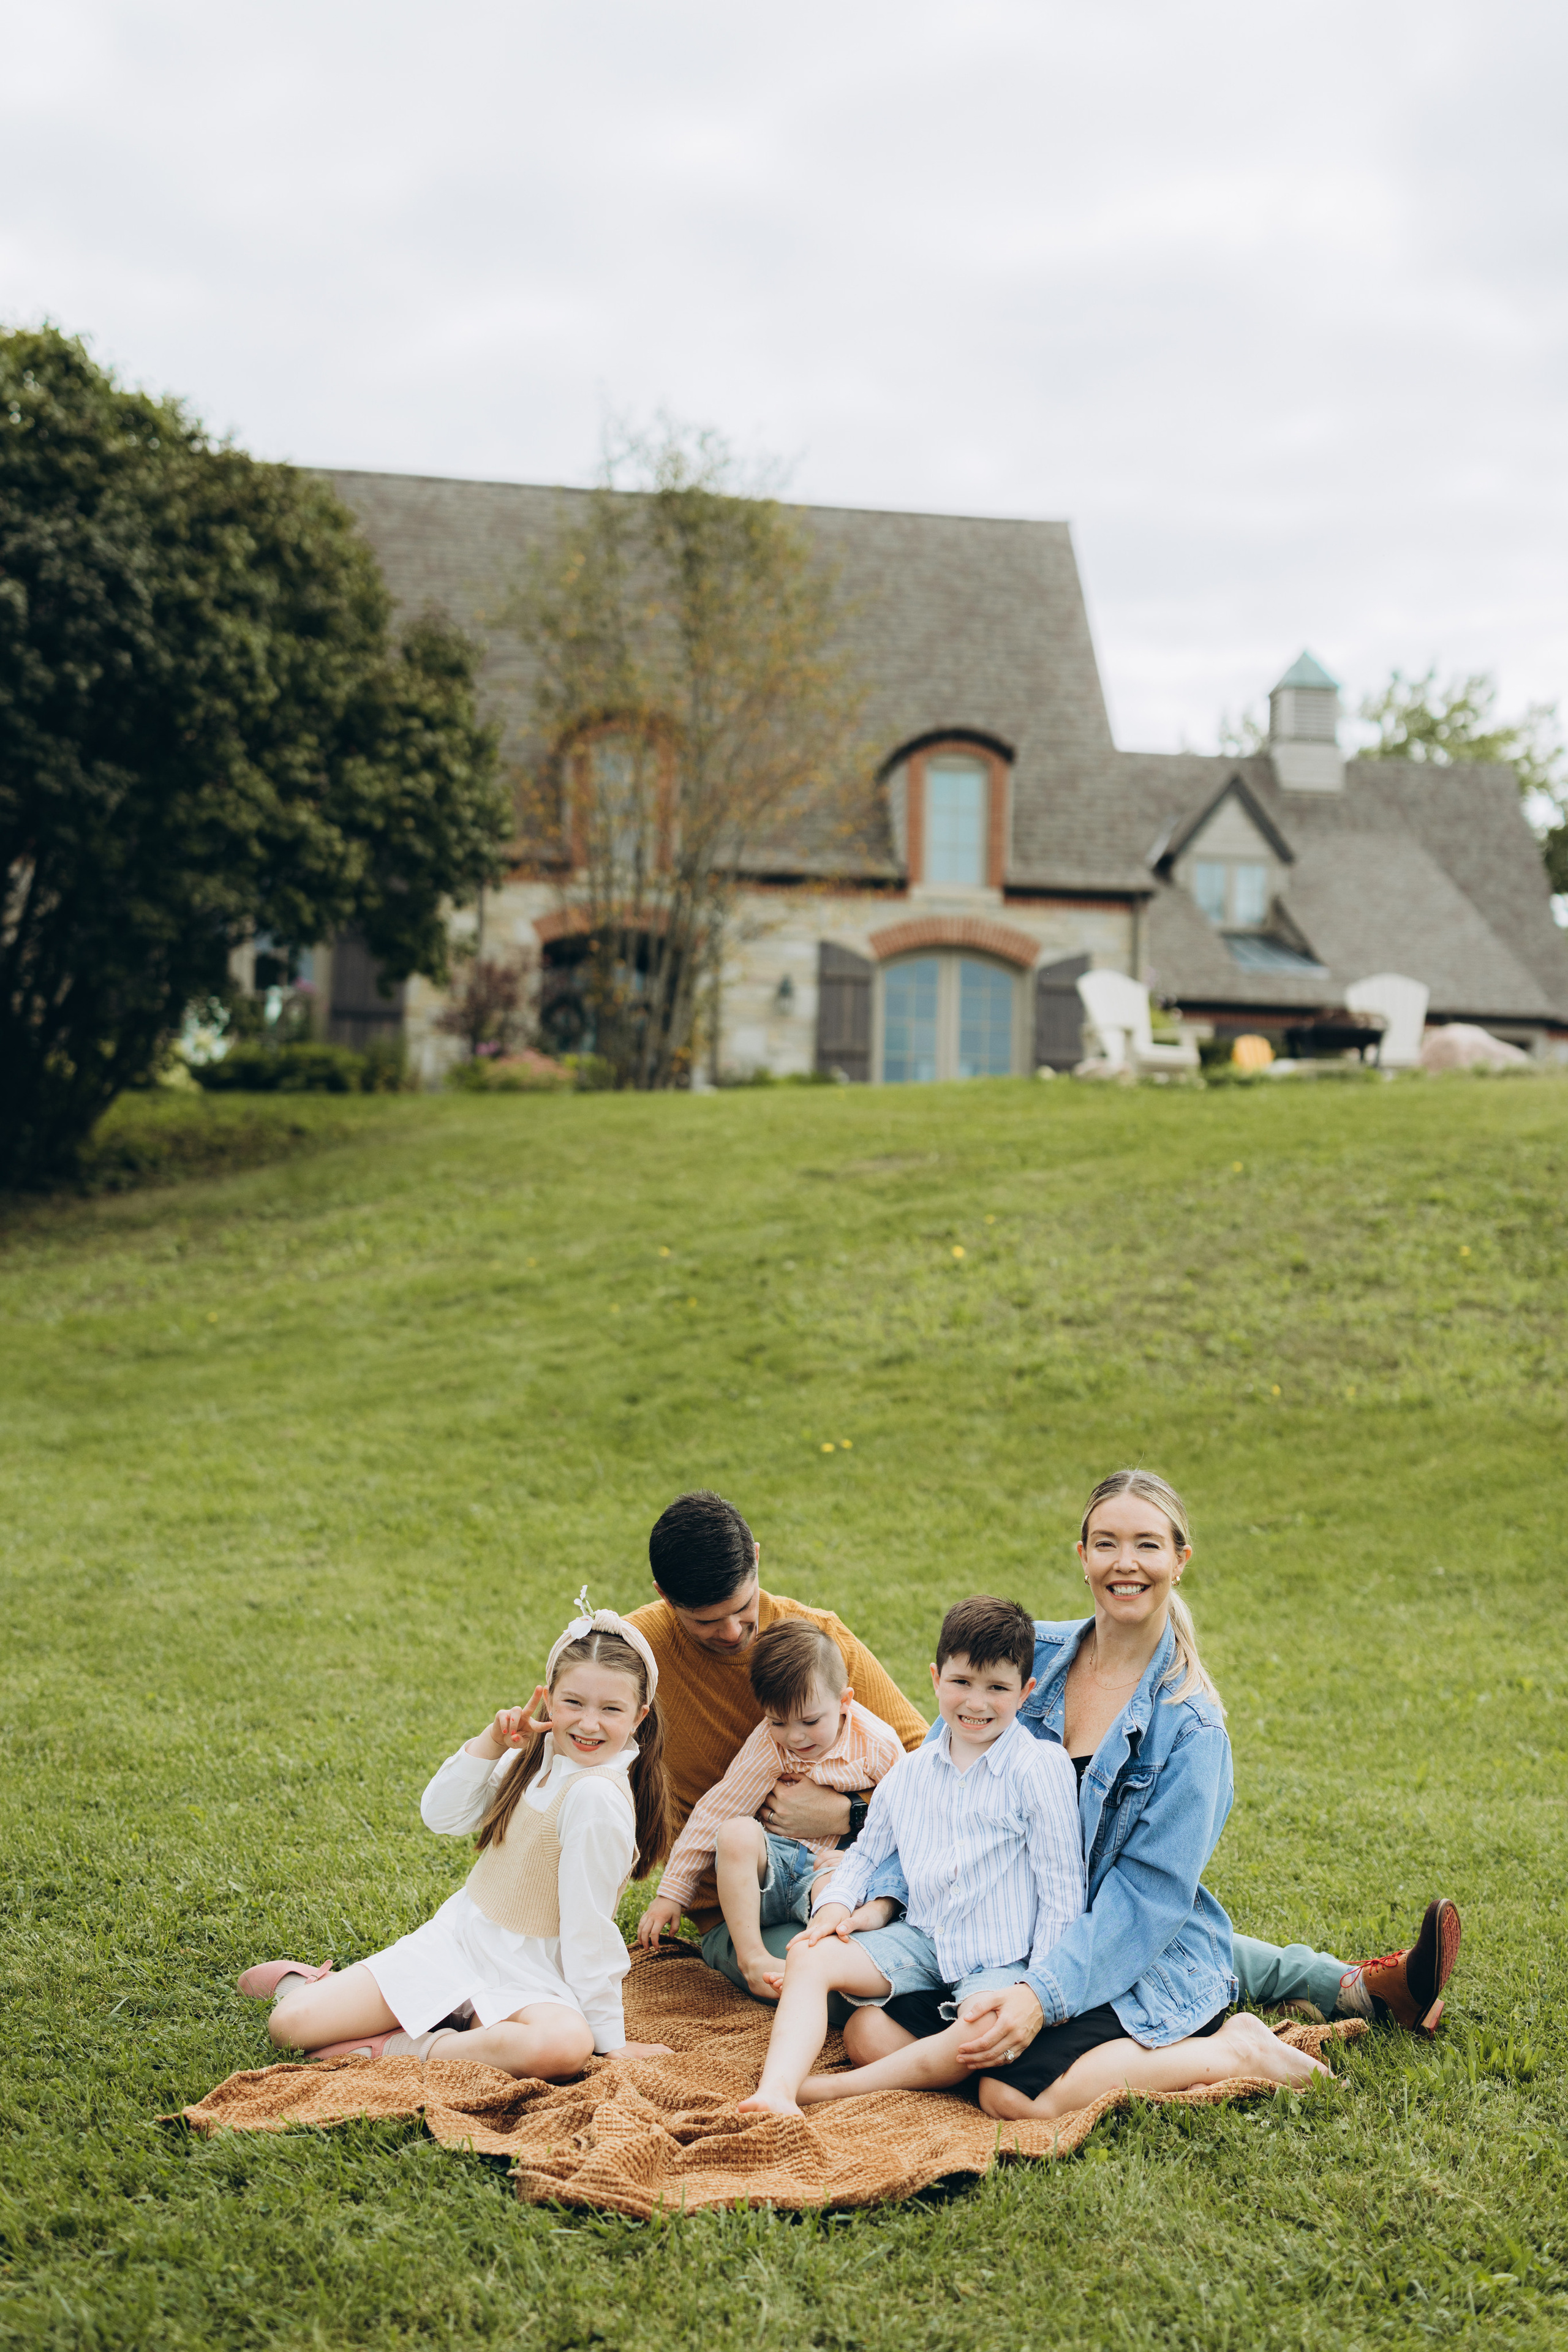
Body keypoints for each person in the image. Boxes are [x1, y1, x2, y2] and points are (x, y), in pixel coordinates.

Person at [821, 1471, 1453, 2120]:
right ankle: (1332, 1987)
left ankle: (1239, 2050)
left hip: (1115, 1949)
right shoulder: (1023, 1654)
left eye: (1147, 1545)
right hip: (997, 1930)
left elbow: (1146, 1900)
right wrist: (882, 1897)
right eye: (1106, 1544)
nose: (1125, 1563)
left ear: (1180, 1561)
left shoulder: (1191, 1729)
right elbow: (932, 1788)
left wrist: (1040, 1995)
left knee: (1011, 2095)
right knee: (870, 2033)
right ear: (1083, 1556)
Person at [237, 1605, 675, 2075]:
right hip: (461, 1941)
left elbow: (589, 1930)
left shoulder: (597, 1799)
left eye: (611, 1709)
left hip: (536, 1978)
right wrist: (491, 1743)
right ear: (548, 1698)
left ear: (639, 1715)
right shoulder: (540, 1756)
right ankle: (319, 1987)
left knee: (564, 2045)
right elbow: (442, 1816)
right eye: (573, 1703)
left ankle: (404, 2048)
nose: (588, 1724)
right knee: (288, 2026)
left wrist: (610, 2039)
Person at [736, 1595, 1087, 2117]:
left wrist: (1037, 1985)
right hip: (923, 1940)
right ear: (936, 1678)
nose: (976, 1702)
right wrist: (834, 1907)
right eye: (962, 1683)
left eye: (997, 1688)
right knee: (809, 1955)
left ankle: (829, 2091)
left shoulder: (1038, 1767)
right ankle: (777, 2090)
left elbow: (1062, 1886)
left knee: (984, 2030)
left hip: (1001, 1958)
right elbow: (865, 1857)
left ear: (1025, 1692)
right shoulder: (910, 1773)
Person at [625, 1490, 927, 1989]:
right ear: (664, 1596)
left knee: (872, 1969)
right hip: (738, 1901)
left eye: (743, 1608)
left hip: (840, 1874)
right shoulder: (639, 1652)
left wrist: (851, 1812)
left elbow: (928, 1762)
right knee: (831, 1987)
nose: (729, 1631)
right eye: (705, 1621)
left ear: (757, 1559)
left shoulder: (817, 1642)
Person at [634, 1618, 907, 1996]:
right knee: (736, 1832)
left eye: (810, 1721)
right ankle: (752, 1959)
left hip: (830, 1870)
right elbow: (719, 1809)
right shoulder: (769, 1743)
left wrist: (859, 1862)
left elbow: (909, 1817)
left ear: (845, 1701)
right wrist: (672, 1893)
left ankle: (817, 1954)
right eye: (778, 1721)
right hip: (774, 1867)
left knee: (837, 1889)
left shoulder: (877, 1743)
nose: (795, 1737)